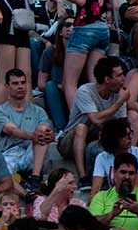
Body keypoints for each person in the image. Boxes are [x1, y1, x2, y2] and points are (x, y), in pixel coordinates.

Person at [51, 0, 114, 111]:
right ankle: (99, 120)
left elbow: (80, 0)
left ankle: (76, 122)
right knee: (95, 81)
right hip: (103, 30)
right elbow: (111, 5)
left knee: (69, 82)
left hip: (85, 27)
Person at [57, 57, 132, 186]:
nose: (123, 79)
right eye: (119, 75)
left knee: (130, 121)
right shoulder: (85, 91)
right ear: (107, 79)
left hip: (97, 139)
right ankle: (83, 177)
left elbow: (121, 124)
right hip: (70, 141)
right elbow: (95, 119)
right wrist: (120, 102)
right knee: (81, 128)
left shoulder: (119, 93)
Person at [0, 69, 54, 194]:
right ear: (7, 87)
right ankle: (27, 195)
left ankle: (35, 179)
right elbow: (11, 130)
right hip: (9, 152)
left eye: (22, 83)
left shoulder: (38, 111)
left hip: (32, 153)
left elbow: (47, 132)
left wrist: (49, 134)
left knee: (42, 132)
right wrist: (33, 136)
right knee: (0, 169)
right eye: (15, 83)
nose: (20, 86)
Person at [87, 153, 138, 230]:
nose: (127, 177)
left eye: (131, 173)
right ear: (114, 173)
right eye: (123, 172)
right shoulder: (101, 196)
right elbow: (91, 225)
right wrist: (112, 214)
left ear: (136, 175)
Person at [89, 119, 138, 197]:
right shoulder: (102, 157)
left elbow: (137, 188)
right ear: (112, 138)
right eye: (124, 135)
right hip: (115, 199)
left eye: (130, 133)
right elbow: (95, 191)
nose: (130, 137)